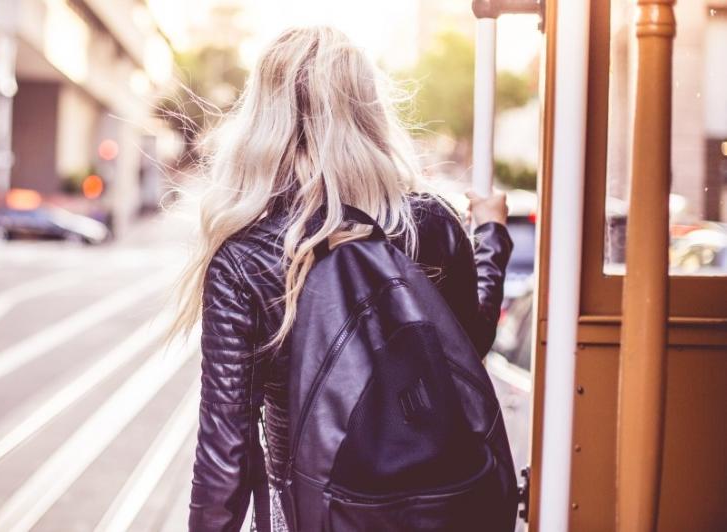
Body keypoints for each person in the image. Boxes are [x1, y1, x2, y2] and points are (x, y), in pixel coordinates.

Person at [169, 26, 513, 531]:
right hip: (437, 503)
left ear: (263, 115)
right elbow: (470, 345)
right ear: (368, 110)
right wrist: (490, 239)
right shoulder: (430, 224)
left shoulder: (244, 257)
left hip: (317, 509)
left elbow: (225, 453)